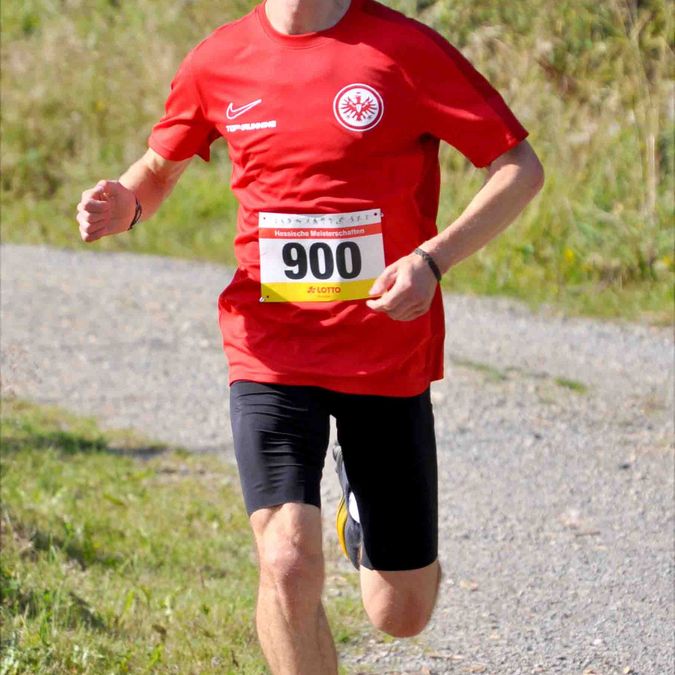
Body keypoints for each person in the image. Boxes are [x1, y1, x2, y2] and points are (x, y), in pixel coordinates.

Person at [76, 0, 544, 672]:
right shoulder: (219, 58)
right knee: (287, 559)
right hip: (268, 348)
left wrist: (432, 260)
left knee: (400, 612)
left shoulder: (402, 50)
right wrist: (124, 204)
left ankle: (358, 512)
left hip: (384, 352)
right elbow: (157, 170)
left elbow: (519, 166)